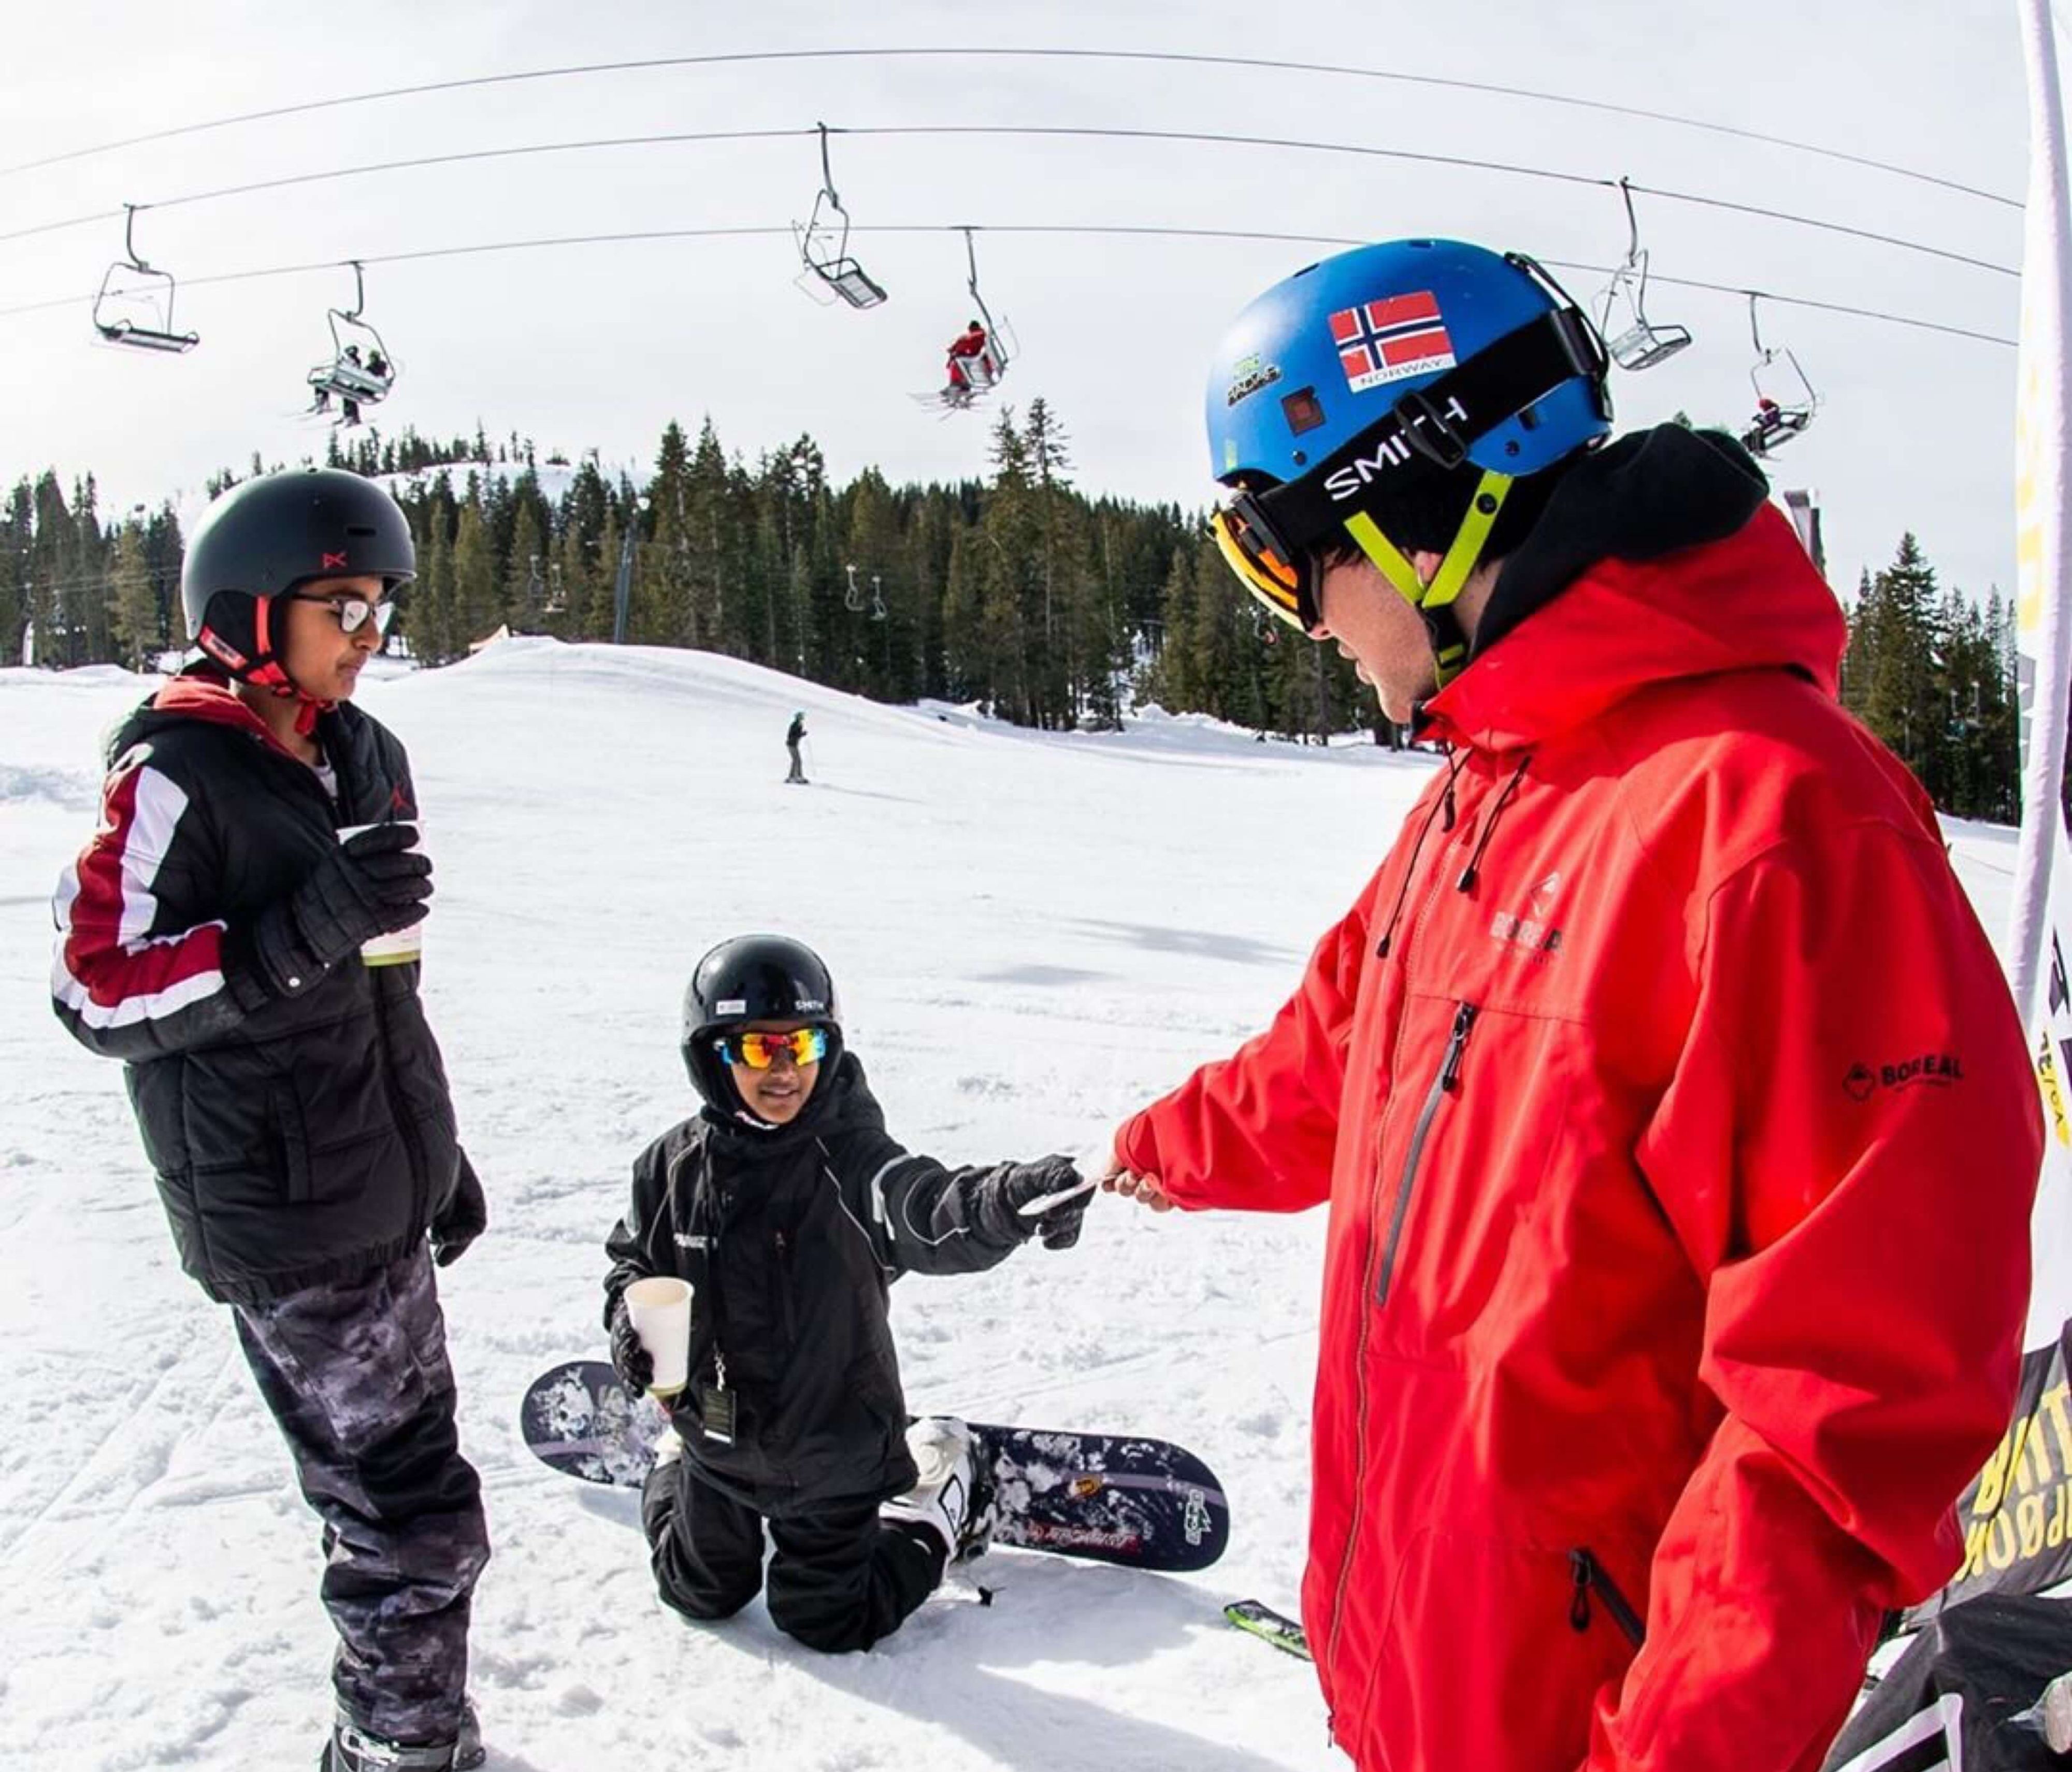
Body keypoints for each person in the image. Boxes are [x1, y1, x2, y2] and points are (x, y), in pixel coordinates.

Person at [1099, 238, 2041, 1772]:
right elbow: (1331, 1057)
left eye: (1287, 559)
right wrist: (1143, 1154)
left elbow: (1838, 1418)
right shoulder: (1489, 796)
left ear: (1415, 498)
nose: (1307, 621)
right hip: (1428, 1676)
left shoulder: (1776, 827)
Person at [50, 467, 491, 1772]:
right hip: (285, 1210)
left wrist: (436, 1151)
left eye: (379, 609)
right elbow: (94, 986)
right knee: (409, 1520)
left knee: (411, 1501)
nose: (367, 635)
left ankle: (417, 1730)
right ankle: (394, 1749)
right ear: (248, 612)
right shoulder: (178, 770)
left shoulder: (365, 755)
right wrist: (303, 927)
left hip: (377, 1184)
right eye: (341, 605)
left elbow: (388, 984)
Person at [602, 934, 1089, 1653]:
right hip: (713, 1439)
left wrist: (1008, 1200)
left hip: (830, 1448)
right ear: (713, 1055)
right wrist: (626, 1318)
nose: (785, 1071)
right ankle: (671, 1459)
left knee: (828, 1622)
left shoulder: (852, 1163)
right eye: (760, 1050)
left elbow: (931, 1209)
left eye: (803, 1047)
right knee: (697, 1592)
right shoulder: (670, 1168)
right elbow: (633, 1263)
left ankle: (941, 1493)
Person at [944, 319, 994, 400]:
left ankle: (957, 384)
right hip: (975, 358)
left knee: (957, 363)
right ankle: (962, 385)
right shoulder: (978, 336)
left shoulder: (978, 335)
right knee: (959, 362)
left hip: (976, 359)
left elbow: (965, 343)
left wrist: (955, 349)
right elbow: (967, 344)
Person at [785, 709, 808, 784]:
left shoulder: (798, 725)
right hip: (792, 744)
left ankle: (793, 776)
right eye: (802, 717)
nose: (803, 719)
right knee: (798, 760)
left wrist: (801, 734)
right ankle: (798, 776)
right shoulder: (795, 725)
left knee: (796, 760)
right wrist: (802, 734)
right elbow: (794, 735)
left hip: (793, 744)